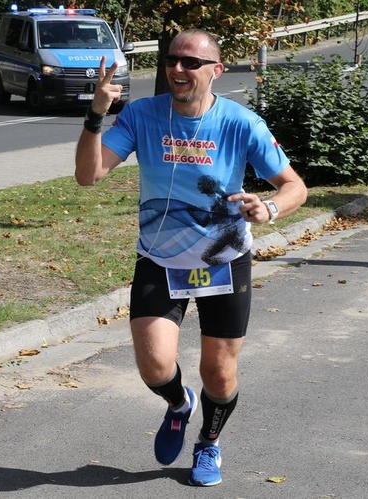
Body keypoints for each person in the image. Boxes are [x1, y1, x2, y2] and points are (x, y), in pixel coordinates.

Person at [74, 29, 307, 487]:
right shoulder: (142, 115)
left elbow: (295, 186)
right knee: (155, 366)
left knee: (219, 374)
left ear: (216, 71)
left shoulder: (242, 123)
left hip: (223, 259)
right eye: (173, 60)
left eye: (191, 63)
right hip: (161, 259)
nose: (178, 69)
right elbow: (88, 175)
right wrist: (96, 113)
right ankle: (180, 403)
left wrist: (271, 206)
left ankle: (209, 443)